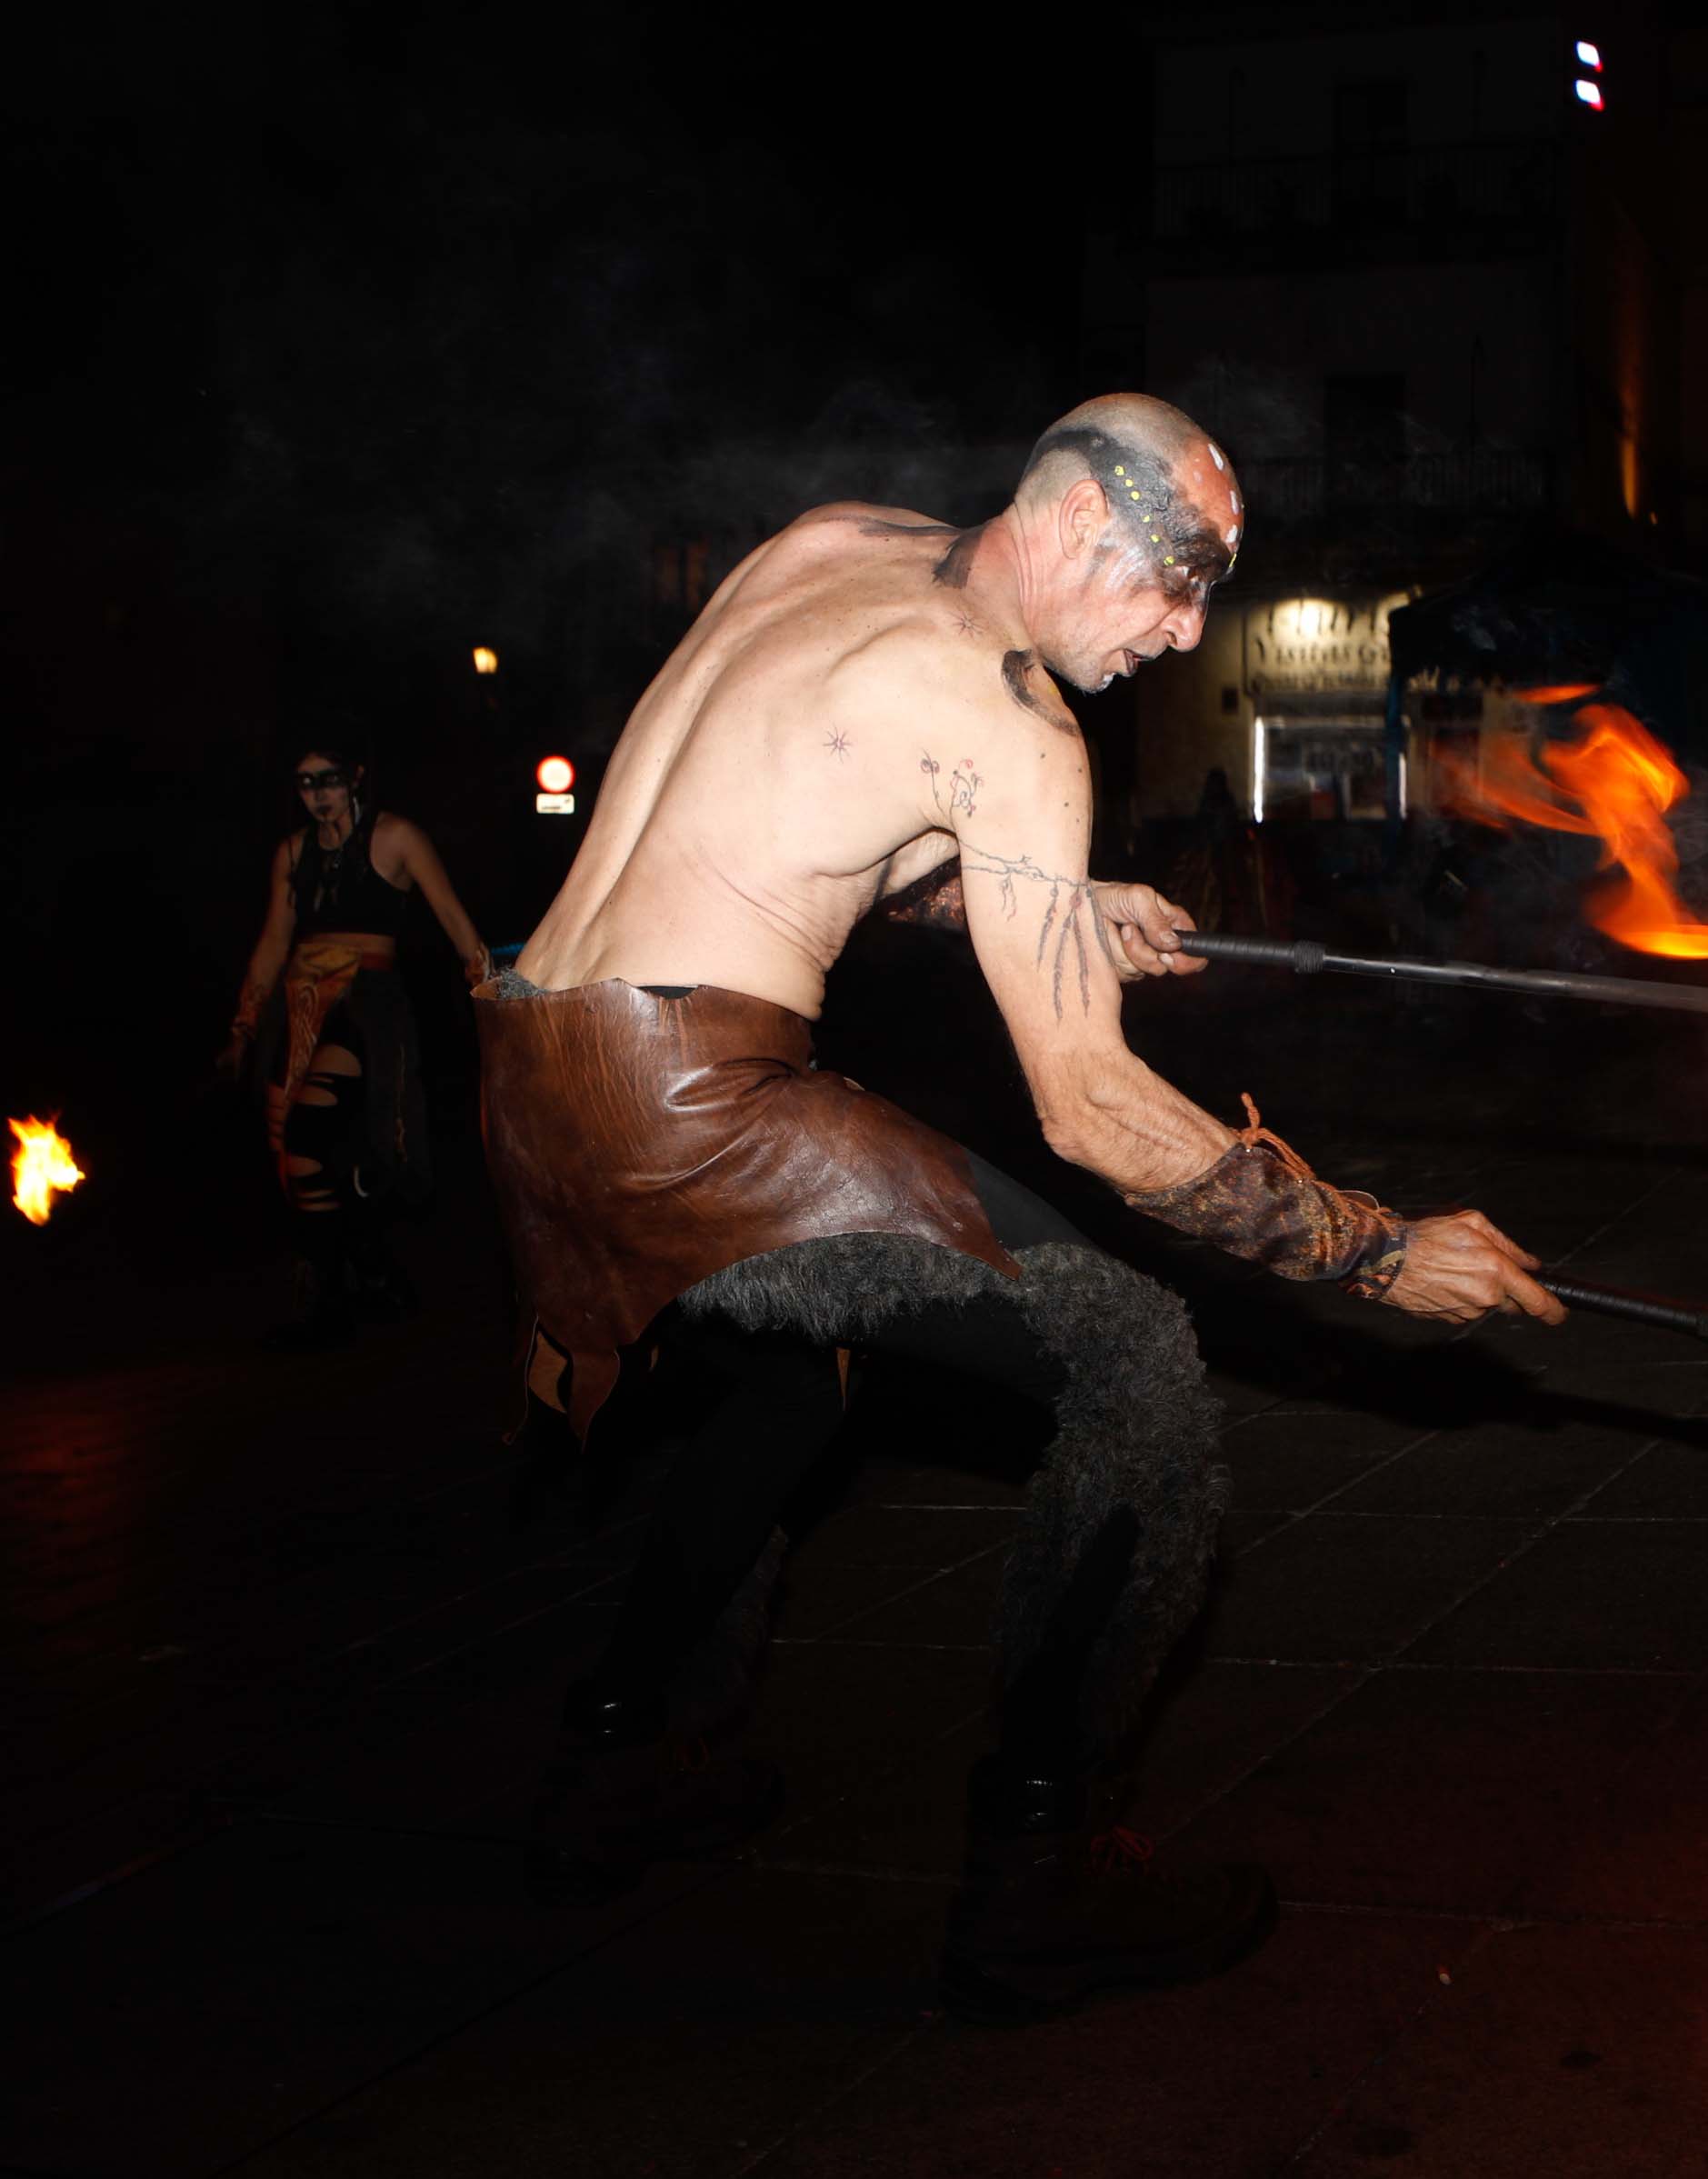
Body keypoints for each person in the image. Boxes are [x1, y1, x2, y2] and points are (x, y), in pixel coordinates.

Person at [477, 394, 1562, 2021]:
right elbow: (1098, 1112)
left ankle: (625, 1758)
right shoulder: (1014, 718)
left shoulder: (827, 543)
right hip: (694, 1105)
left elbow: (801, 817)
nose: (1184, 633)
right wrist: (1377, 1246)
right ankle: (1041, 1873)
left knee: (788, 1380)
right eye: (1174, 584)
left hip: (531, 1063)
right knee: (1132, 1370)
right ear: (1066, 522)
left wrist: (1038, 895)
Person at [219, 741, 491, 1345]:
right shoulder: (292, 852)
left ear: (357, 776)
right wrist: (243, 1026)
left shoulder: (395, 838)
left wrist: (489, 986)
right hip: (300, 1003)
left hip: (365, 1005)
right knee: (293, 1157)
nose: (317, 793)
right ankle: (360, 1271)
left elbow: (453, 917)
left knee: (308, 1134)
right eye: (305, 782)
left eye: (329, 779)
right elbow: (273, 940)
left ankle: (332, 1296)